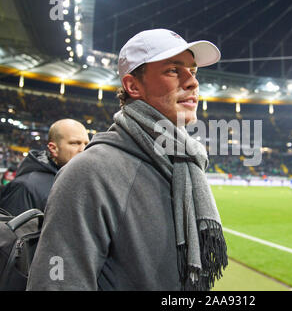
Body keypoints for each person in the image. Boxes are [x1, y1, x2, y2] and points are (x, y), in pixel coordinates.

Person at [27, 29, 228, 291]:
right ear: (133, 86)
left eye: (193, 71)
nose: (192, 82)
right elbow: (55, 284)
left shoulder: (184, 164)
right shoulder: (90, 172)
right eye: (173, 70)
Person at [0, 119, 89, 215]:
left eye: (86, 144)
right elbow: (9, 229)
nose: (83, 149)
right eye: (75, 143)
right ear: (53, 148)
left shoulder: (82, 182)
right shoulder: (24, 187)